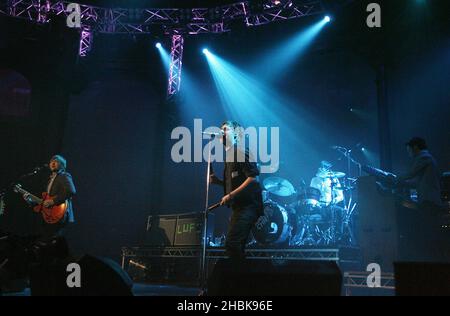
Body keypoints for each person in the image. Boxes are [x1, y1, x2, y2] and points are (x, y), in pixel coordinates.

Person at [210, 121, 263, 260]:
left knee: (232, 244)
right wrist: (219, 182)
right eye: (221, 129)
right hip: (238, 208)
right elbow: (235, 185)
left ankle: (237, 279)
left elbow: (253, 179)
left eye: (226, 129)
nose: (222, 131)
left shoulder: (240, 151)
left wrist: (230, 195)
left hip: (249, 207)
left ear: (236, 135)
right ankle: (242, 278)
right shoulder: (229, 156)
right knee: (236, 246)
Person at [394, 137, 445, 261]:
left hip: (429, 202)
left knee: (429, 233)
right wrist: (401, 182)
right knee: (430, 232)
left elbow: (411, 174)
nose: (409, 153)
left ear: (415, 147)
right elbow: (416, 182)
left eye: (409, 150)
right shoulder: (427, 159)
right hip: (430, 201)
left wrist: (394, 178)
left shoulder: (423, 158)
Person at [23, 155, 76, 240]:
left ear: (63, 165)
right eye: (51, 161)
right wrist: (31, 201)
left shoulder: (64, 175)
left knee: (54, 243)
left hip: (59, 216)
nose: (53, 163)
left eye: (56, 161)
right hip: (49, 216)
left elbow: (71, 191)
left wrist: (53, 201)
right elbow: (45, 202)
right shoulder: (50, 180)